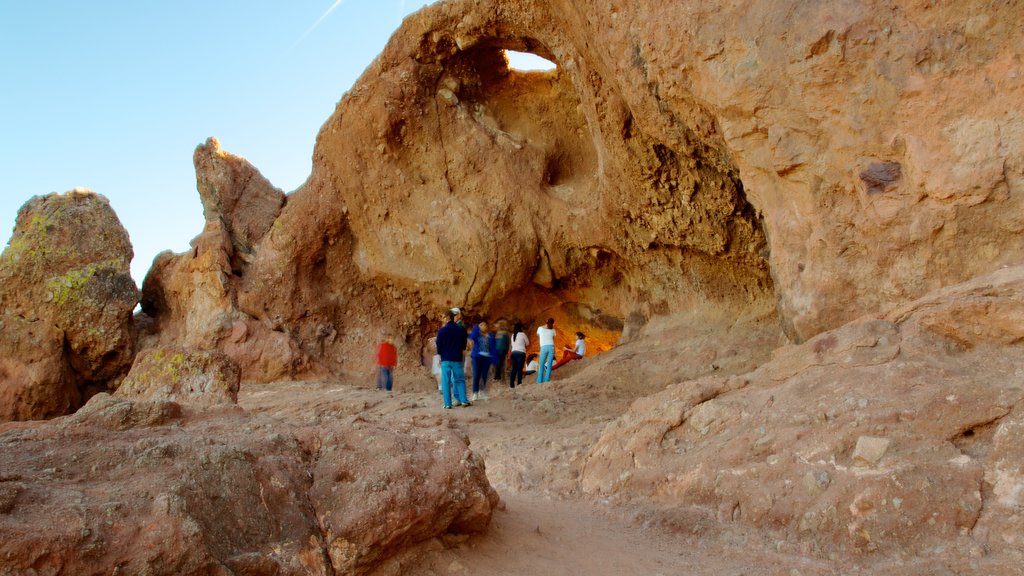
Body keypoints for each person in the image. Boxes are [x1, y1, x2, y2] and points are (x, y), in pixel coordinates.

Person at [436, 308, 471, 409]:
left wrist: (439, 356)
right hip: (457, 359)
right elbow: (464, 345)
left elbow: (439, 346)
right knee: (459, 380)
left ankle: (448, 404)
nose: (442, 319)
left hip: (445, 359)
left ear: (448, 318)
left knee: (446, 382)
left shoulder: (442, 331)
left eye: (442, 317)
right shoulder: (461, 330)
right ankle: (464, 400)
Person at [469, 320, 494, 400]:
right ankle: (475, 393)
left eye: (485, 325)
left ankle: (482, 392)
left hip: (486, 358)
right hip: (477, 358)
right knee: (476, 375)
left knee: (484, 375)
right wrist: (476, 326)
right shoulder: (476, 335)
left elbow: (493, 347)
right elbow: (471, 336)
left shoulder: (490, 335)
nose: (484, 326)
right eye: (482, 325)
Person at [508, 321, 529, 388]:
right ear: (521, 328)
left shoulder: (513, 335)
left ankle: (511, 384)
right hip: (521, 353)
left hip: (513, 353)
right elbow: (528, 343)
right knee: (520, 369)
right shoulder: (522, 334)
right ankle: (519, 383)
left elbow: (512, 345)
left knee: (514, 369)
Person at [536, 317, 556, 383]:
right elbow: (553, 339)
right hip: (551, 347)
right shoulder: (553, 330)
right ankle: (546, 380)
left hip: (543, 347)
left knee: (541, 364)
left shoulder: (540, 328)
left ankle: (539, 381)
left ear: (546, 321)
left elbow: (537, 334)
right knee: (549, 364)